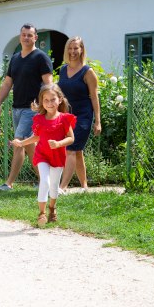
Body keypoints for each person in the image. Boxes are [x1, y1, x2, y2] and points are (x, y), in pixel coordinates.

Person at [0, 23, 54, 191]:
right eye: (24, 34)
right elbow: (7, 84)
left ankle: (9, 183)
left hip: (32, 109)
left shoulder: (41, 57)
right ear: (20, 37)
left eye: (30, 35)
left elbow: (49, 84)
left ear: (35, 38)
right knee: (29, 145)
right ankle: (45, 181)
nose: (26, 37)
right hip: (16, 108)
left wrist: (43, 104)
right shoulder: (15, 58)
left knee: (18, 141)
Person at [11, 84, 75, 227]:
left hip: (57, 156)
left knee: (53, 186)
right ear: (41, 102)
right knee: (44, 181)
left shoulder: (64, 118)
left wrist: (59, 144)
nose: (50, 103)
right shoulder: (39, 118)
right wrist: (21, 143)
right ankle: (42, 213)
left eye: (53, 99)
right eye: (46, 100)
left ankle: (52, 208)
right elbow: (36, 137)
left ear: (59, 100)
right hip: (42, 155)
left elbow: (71, 138)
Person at [58, 36, 102, 192]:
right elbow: (59, 94)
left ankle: (62, 187)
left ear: (82, 49)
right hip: (66, 117)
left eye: (76, 48)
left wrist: (98, 121)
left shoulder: (88, 72)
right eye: (70, 48)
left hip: (83, 116)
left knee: (70, 148)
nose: (72, 51)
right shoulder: (63, 70)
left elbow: (95, 97)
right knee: (77, 152)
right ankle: (84, 186)